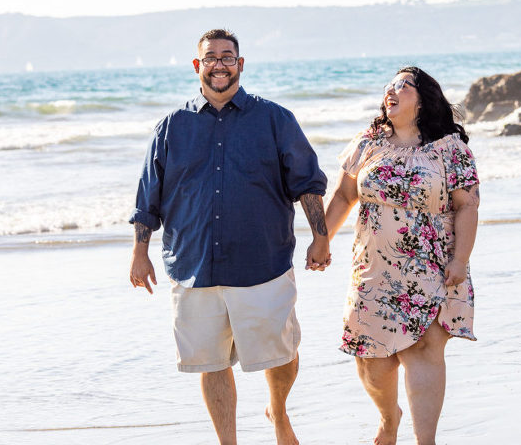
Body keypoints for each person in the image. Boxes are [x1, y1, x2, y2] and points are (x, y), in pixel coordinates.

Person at [129, 29, 330, 445]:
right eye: (210, 57)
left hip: (262, 263)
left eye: (227, 56)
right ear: (196, 65)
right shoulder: (171, 127)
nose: (218, 63)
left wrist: (320, 236)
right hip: (193, 265)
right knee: (210, 361)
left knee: (281, 353)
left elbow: (308, 182)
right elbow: (148, 194)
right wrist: (139, 252)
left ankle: (278, 413)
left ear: (240, 64)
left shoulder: (275, 119)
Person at [324, 67, 480, 445]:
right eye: (389, 86)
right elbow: (345, 197)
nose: (391, 91)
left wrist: (459, 260)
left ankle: (425, 440)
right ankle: (388, 417)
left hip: (431, 265)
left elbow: (467, 206)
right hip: (373, 269)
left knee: (425, 349)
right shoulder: (368, 142)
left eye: (403, 86)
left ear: (423, 99)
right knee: (371, 360)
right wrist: (320, 240)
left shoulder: (450, 149)